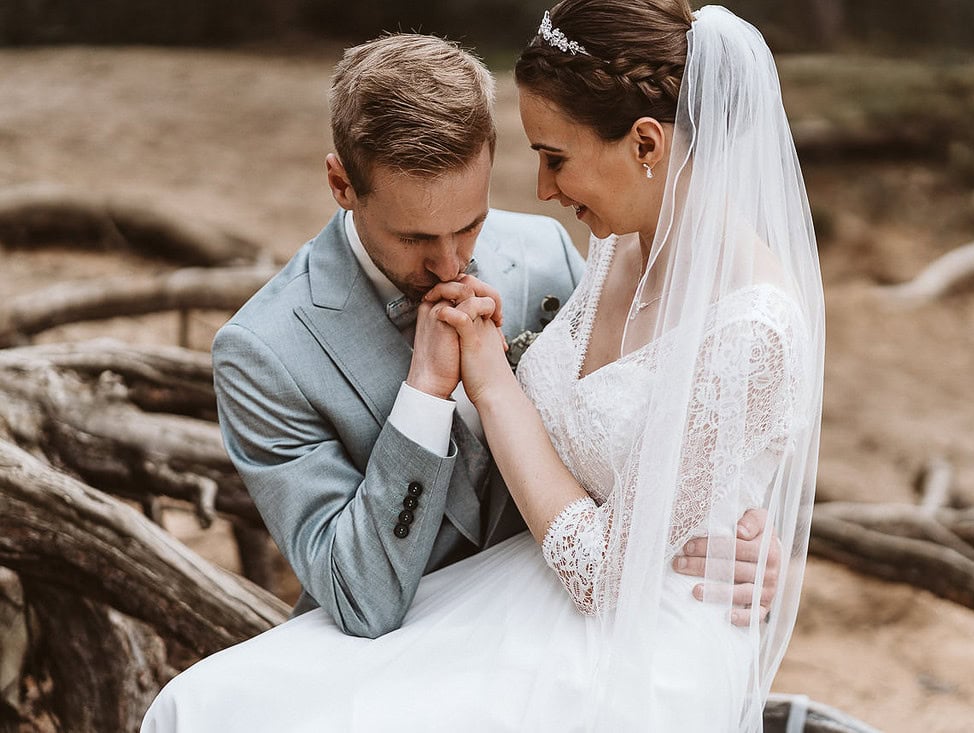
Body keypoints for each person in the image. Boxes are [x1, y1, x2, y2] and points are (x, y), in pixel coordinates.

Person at [142, 1, 820, 730]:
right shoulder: (264, 354)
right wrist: (426, 394)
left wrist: (733, 526)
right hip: (434, 622)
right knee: (205, 705)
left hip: (581, 637)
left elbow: (660, 450)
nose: (450, 261)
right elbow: (362, 595)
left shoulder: (550, 257)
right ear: (343, 185)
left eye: (469, 224)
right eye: (415, 236)